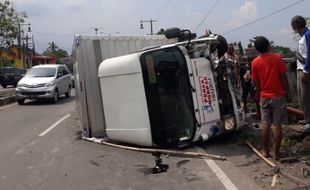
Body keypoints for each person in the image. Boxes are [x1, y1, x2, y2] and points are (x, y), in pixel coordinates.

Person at [251, 36, 291, 160]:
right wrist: (288, 92)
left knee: (265, 124)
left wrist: (259, 93)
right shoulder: (277, 58)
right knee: (277, 126)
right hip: (278, 96)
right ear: (268, 45)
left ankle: (265, 151)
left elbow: (256, 81)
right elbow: (283, 77)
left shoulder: (255, 62)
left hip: (264, 96)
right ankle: (276, 153)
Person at [291, 15, 310, 132]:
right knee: (301, 97)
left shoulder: (308, 35)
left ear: (296, 25)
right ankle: (306, 117)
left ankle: (309, 122)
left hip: (305, 70)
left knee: (307, 97)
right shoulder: (302, 36)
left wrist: (306, 72)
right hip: (300, 69)